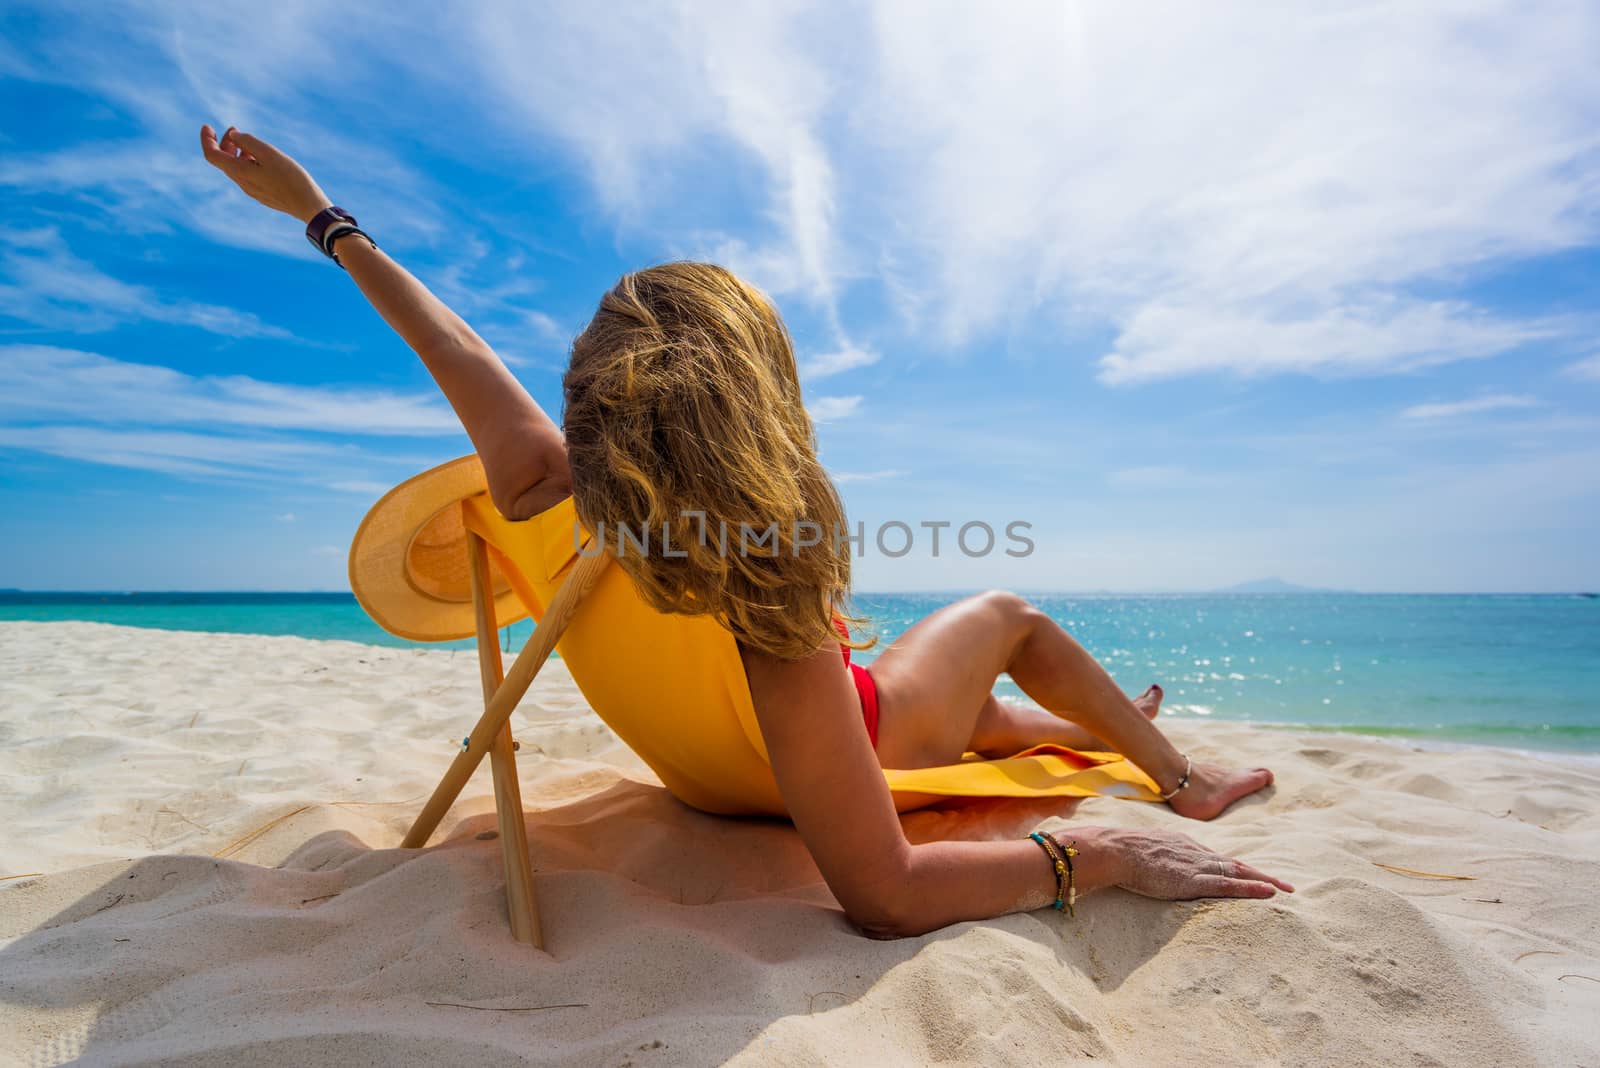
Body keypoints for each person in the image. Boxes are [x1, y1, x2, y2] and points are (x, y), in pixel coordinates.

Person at [199, 124, 1294, 939]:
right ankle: (1176, 775)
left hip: (710, 777)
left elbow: (451, 345)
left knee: (977, 714)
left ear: (594, 392)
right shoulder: (763, 587)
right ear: (760, 404)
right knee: (1006, 613)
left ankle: (1054, 727)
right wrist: (1087, 854)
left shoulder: (538, 491)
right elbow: (883, 894)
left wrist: (321, 217)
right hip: (843, 740)